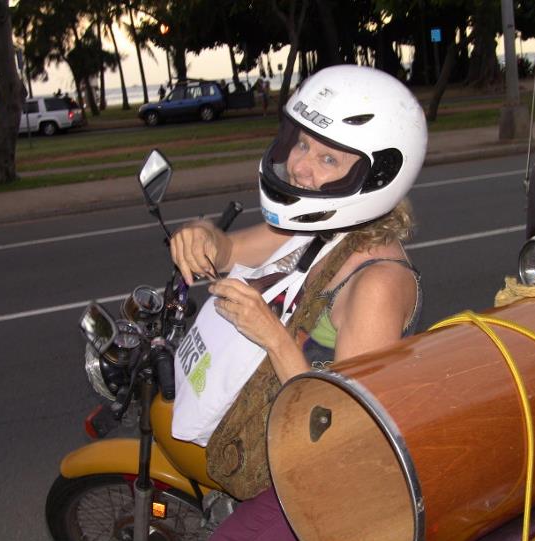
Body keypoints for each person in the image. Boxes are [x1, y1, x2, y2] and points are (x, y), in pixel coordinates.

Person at [170, 65, 427, 540]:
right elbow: (228, 249)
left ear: (376, 176)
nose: (300, 166)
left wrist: (272, 335)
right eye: (302, 144)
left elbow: (343, 426)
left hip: (323, 473)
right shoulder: (319, 226)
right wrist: (199, 233)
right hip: (280, 434)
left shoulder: (377, 282)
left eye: (328, 159)